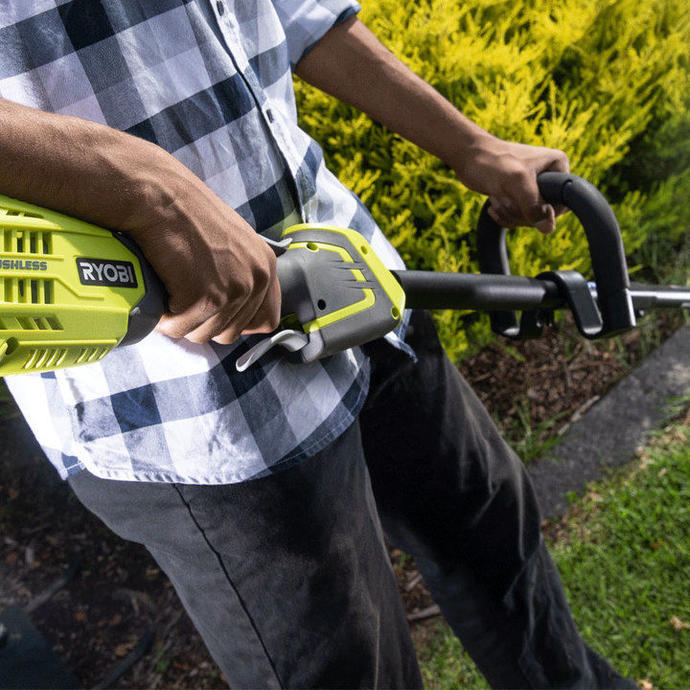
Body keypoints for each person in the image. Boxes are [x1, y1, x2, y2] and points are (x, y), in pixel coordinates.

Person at [0, 2, 636, 688]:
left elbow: (292, 12)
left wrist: (472, 147)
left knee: (492, 533)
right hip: (196, 390)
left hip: (351, 273)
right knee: (355, 670)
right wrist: (144, 190)